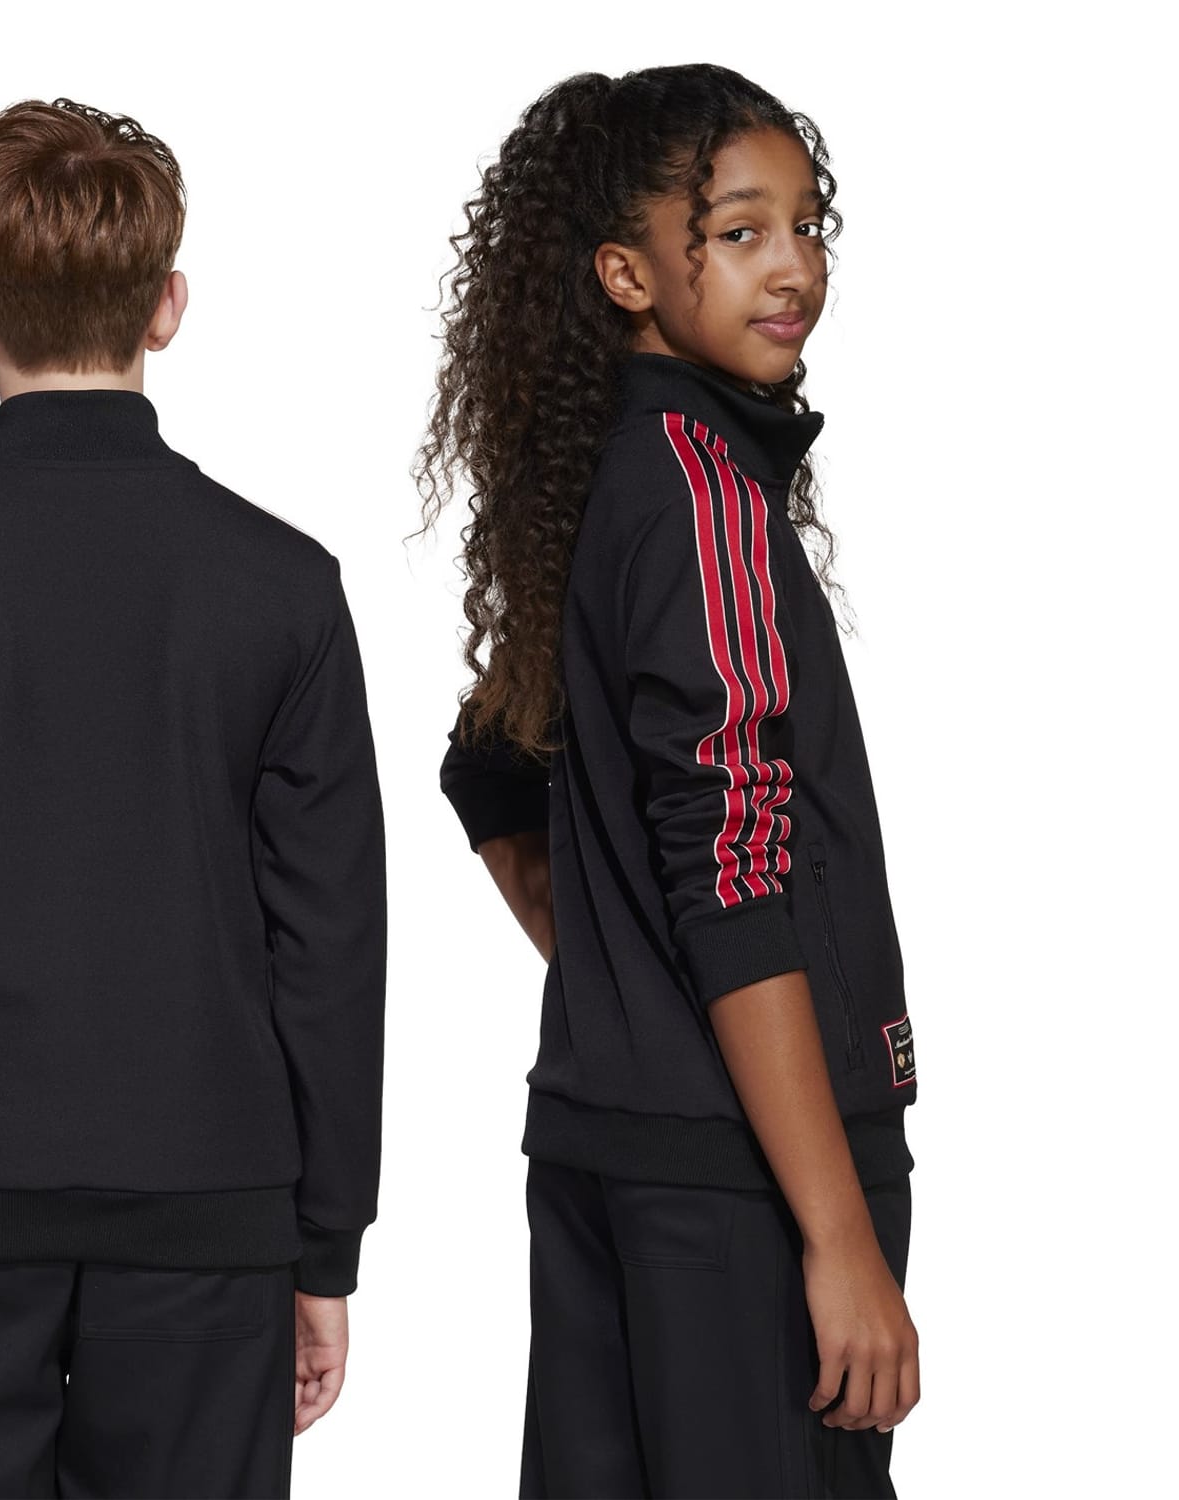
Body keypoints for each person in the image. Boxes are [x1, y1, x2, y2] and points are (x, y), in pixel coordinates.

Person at [0, 96, 387, 1499]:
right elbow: (332, 942)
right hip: (209, 1205)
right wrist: (324, 1245)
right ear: (168, 306)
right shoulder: (285, 588)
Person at [413, 64, 921, 1499]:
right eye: (740, 231)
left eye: (806, 225)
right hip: (743, 1182)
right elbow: (735, 873)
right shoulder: (699, 494)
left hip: (616, 1148)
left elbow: (494, 771)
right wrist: (838, 1236)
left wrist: (626, 990)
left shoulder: (614, 477)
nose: (793, 267)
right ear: (627, 275)